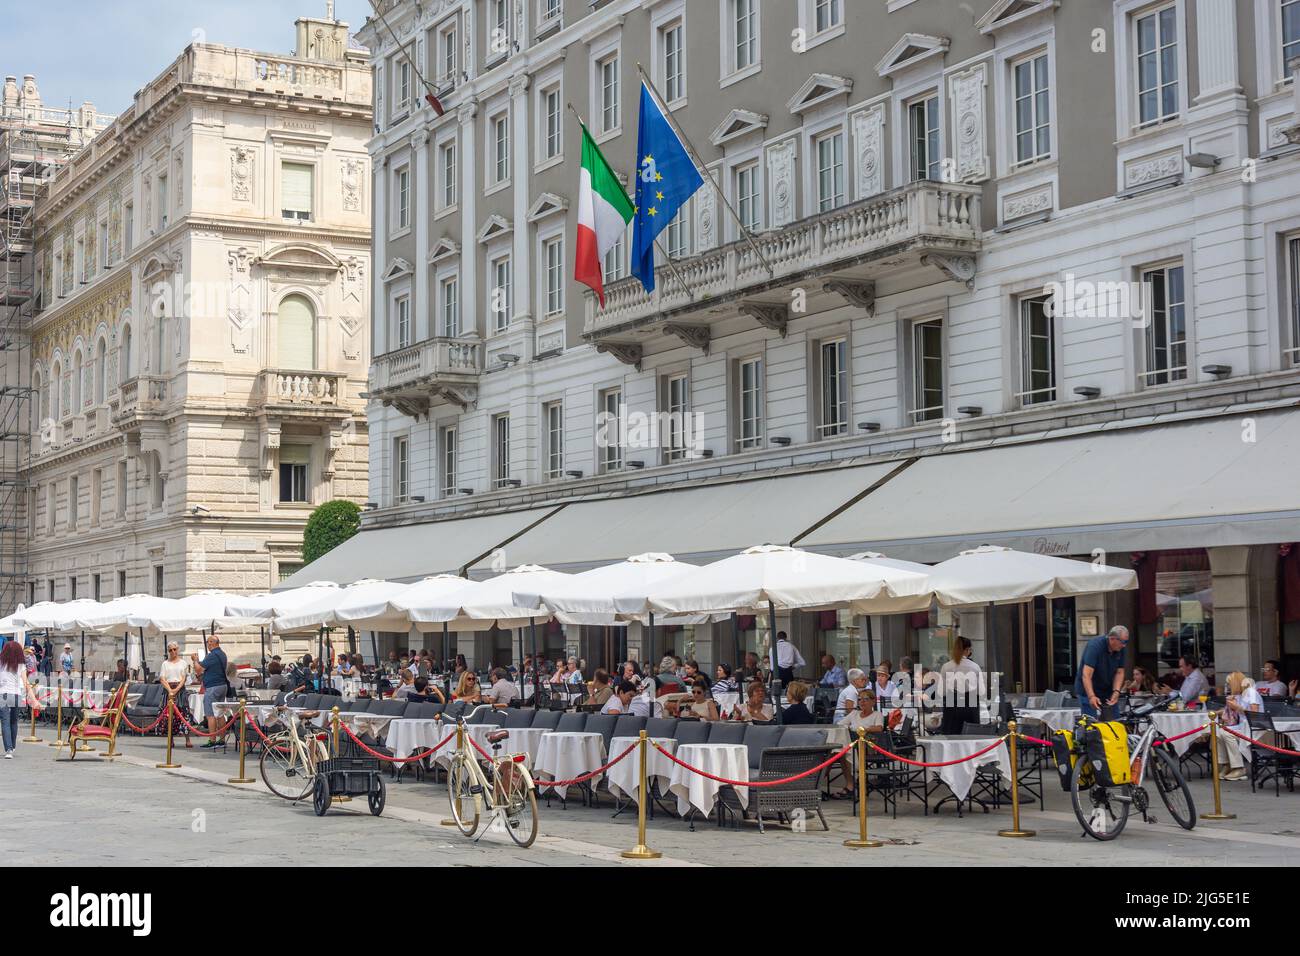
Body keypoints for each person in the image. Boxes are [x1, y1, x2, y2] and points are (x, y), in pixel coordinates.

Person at [1073, 625, 1127, 720]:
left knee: (1114, 721)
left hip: (1106, 689)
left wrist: (1116, 691)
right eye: (1123, 642)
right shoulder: (1094, 646)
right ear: (1112, 638)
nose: (1124, 645)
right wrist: (1091, 696)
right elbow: (1086, 675)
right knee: (1090, 723)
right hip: (1087, 688)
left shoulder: (1120, 649)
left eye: (1126, 642)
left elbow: (1119, 672)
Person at [190, 634, 231, 747]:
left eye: (210, 642)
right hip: (222, 686)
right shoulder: (222, 654)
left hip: (213, 687)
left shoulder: (212, 655)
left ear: (215, 643)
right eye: (208, 642)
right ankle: (221, 740)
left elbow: (198, 670)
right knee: (220, 713)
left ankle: (212, 740)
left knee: (210, 714)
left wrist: (195, 660)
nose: (208, 644)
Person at [1220, 672, 1261, 781]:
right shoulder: (1240, 695)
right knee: (1218, 732)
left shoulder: (1251, 692)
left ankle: (1239, 768)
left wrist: (1236, 707)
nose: (1228, 686)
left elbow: (1254, 713)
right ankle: (1227, 764)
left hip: (1254, 728)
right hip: (1243, 727)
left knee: (1226, 734)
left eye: (1229, 683)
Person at [0, 640, 37, 758]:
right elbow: (26, 683)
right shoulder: (21, 665)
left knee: (5, 721)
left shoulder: (1, 663)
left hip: (3, 693)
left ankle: (8, 750)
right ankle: (13, 745)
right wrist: (34, 699)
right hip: (16, 694)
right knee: (14, 721)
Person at [940, 636, 983, 734]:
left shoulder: (946, 666)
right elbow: (980, 690)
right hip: (970, 704)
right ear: (967, 650)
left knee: (951, 738)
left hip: (951, 704)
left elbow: (943, 691)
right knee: (971, 738)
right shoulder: (974, 667)